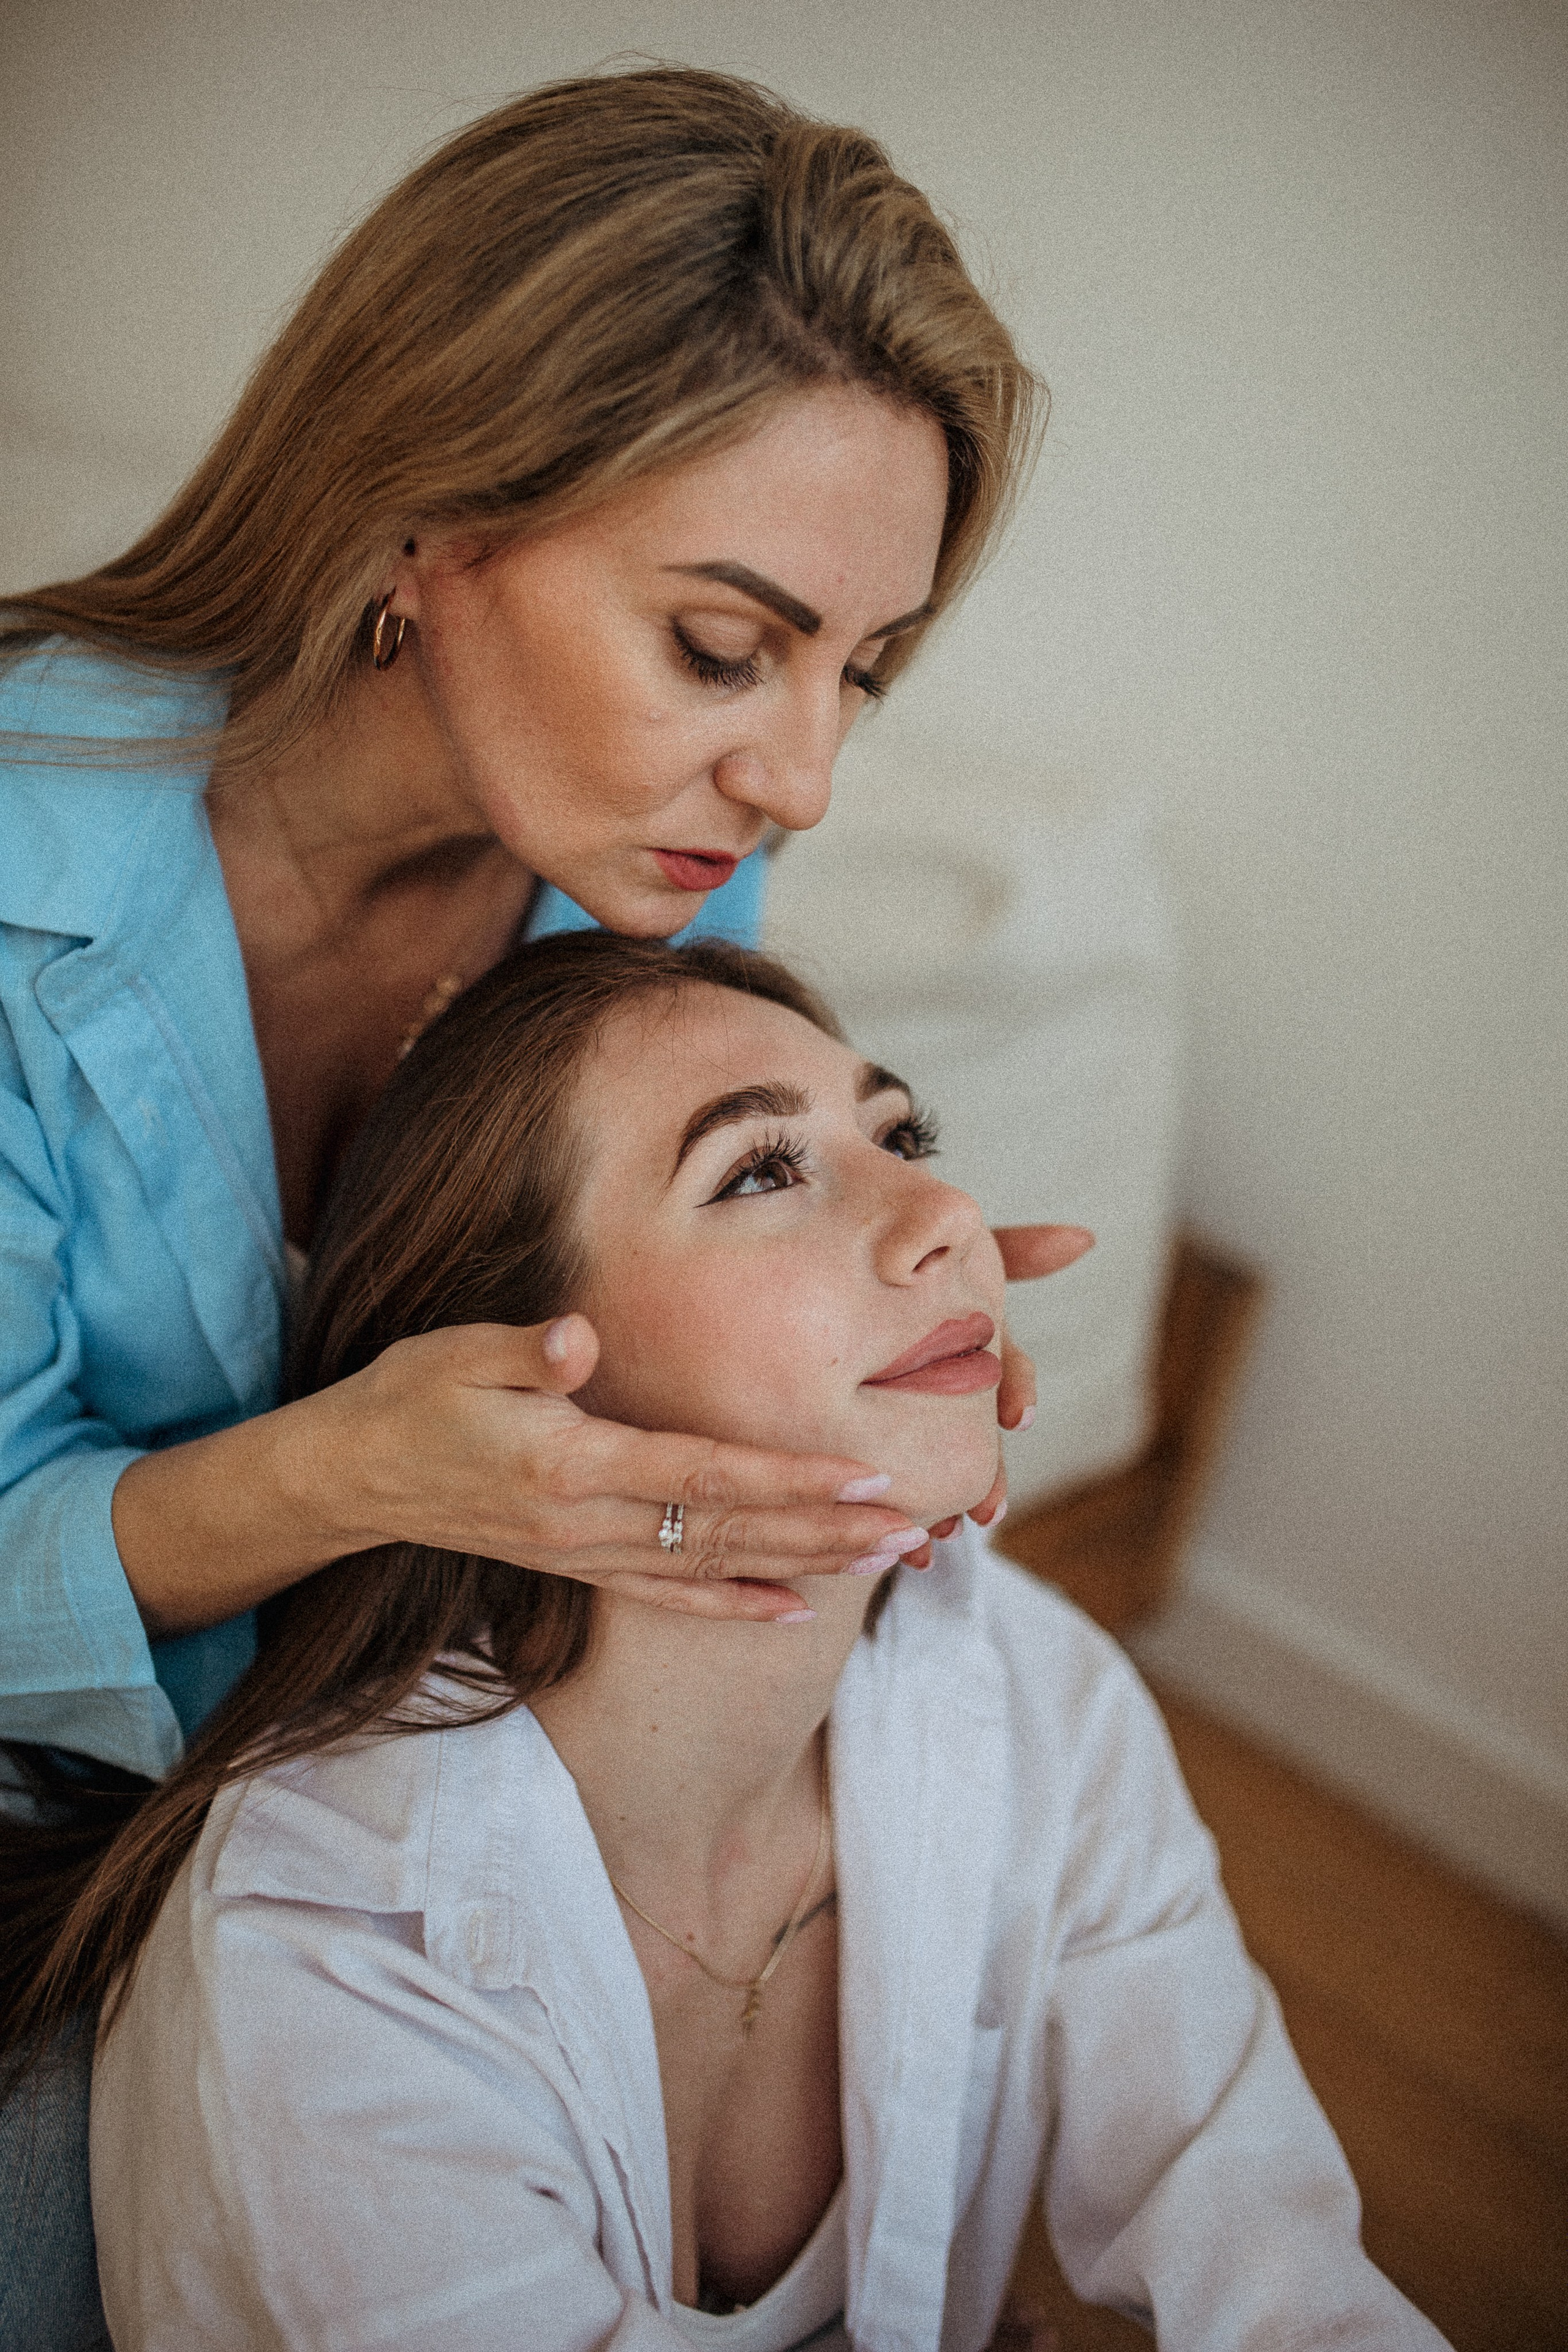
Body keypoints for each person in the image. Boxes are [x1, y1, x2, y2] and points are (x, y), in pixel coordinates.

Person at [7, 931, 1447, 2350]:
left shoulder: (1033, 1688)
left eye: (901, 1134)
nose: (944, 1213)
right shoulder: (331, 1957)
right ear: (515, 1382)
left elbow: (1274, 2267)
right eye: (758, 1171)